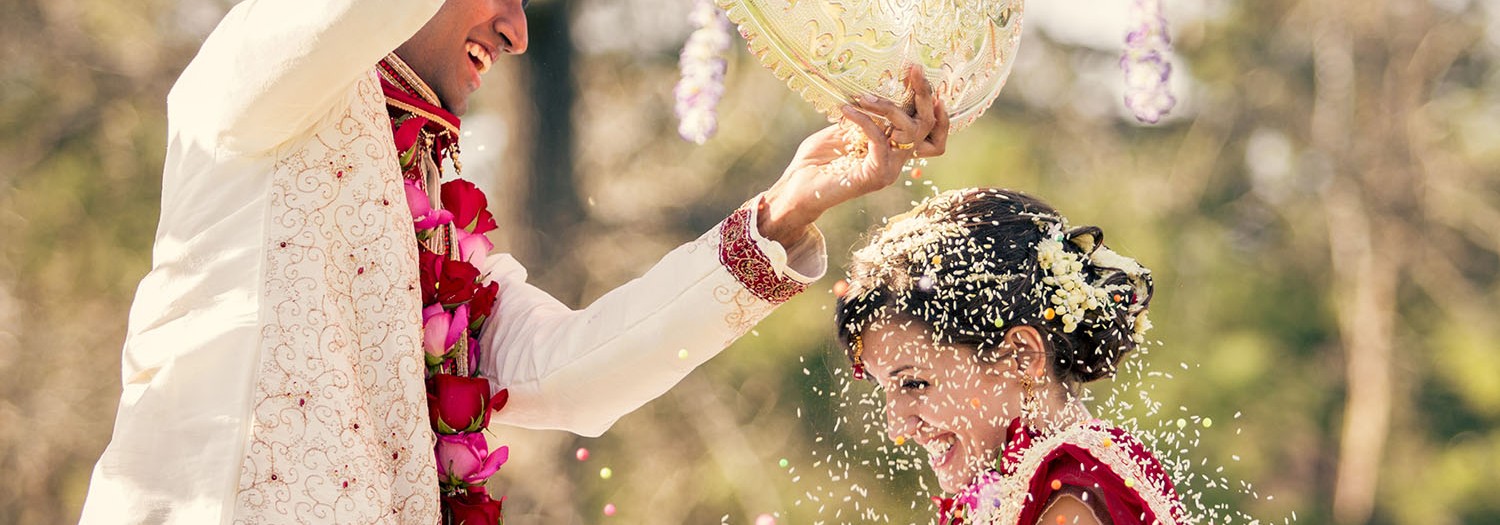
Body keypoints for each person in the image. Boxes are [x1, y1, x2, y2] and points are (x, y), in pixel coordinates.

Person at [79, 0, 949, 523]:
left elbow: (575, 374)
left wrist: (790, 206)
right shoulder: (244, 88)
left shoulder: (438, 229)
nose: (519, 30)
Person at [834, 188, 1184, 525]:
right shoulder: (1035, 486)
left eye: (914, 382)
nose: (898, 426)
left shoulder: (1072, 499)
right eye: (885, 389)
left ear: (1021, 355)